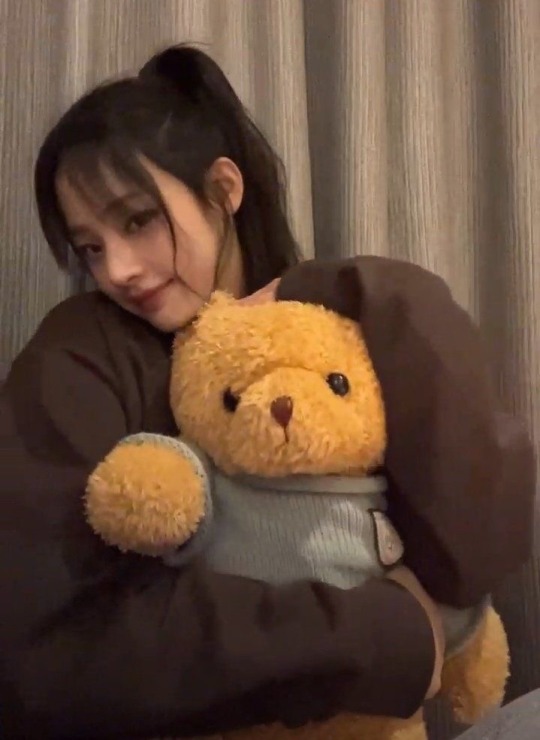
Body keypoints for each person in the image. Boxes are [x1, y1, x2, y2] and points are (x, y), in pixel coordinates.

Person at [0, 44, 534, 739]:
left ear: (224, 189)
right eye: (90, 247)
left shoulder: (324, 330)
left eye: (135, 220)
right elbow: (46, 649)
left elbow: (476, 552)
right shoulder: (82, 351)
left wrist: (360, 290)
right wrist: (373, 633)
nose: (117, 271)